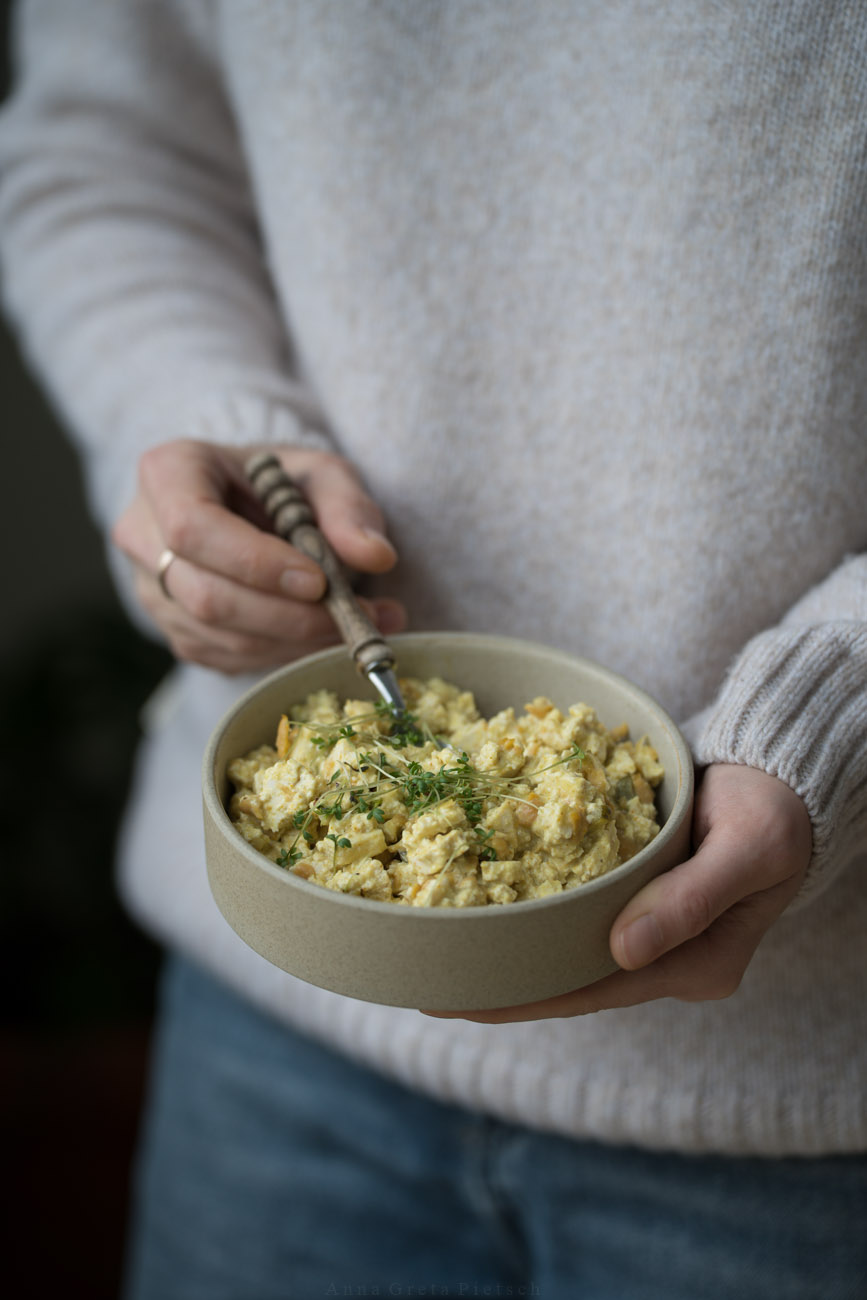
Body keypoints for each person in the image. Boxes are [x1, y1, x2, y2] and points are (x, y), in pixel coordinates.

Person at [1, 2, 865, 1296]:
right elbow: (107, 145)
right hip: (277, 1043)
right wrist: (204, 441)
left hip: (808, 1105)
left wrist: (837, 704)